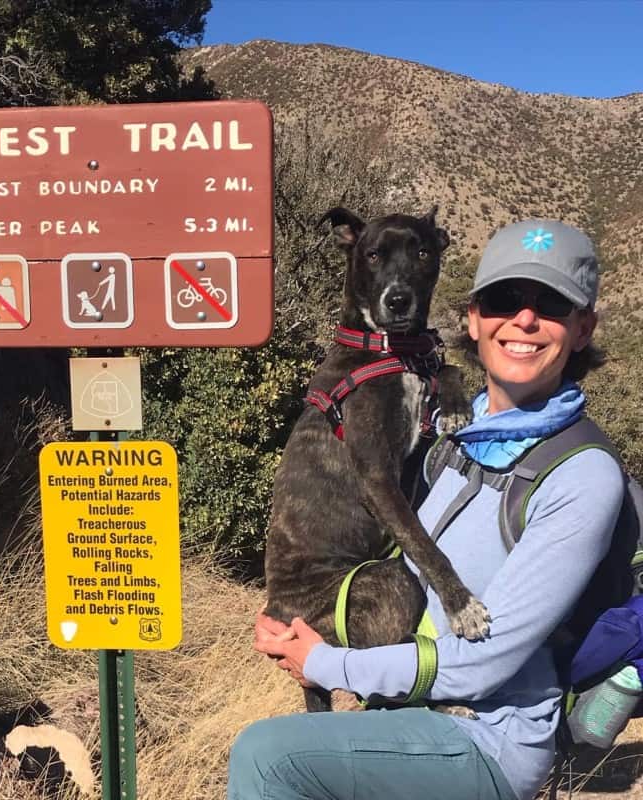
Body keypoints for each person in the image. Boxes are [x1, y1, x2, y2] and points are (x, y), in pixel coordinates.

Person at [227, 219, 625, 800]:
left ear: (584, 327)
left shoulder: (583, 476)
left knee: (267, 756)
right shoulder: (459, 438)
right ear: (472, 317)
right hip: (411, 702)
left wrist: (327, 665)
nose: (524, 320)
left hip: (483, 733)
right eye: (505, 300)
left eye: (554, 305)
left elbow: (483, 665)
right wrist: (302, 625)